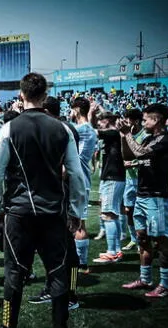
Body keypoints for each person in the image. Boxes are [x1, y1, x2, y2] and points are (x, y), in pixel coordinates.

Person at [0, 73, 85, 328]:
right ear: (45, 93)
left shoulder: (9, 128)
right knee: (58, 272)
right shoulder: (62, 129)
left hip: (19, 212)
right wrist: (76, 211)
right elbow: (76, 174)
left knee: (15, 271)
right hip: (53, 213)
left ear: (21, 94)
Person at [27, 96, 82, 310]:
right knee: (50, 247)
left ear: (46, 111)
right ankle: (54, 289)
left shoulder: (64, 130)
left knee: (67, 248)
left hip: (61, 197)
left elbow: (68, 169)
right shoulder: (57, 128)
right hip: (52, 196)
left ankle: (71, 295)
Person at [119, 103, 168, 298]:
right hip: (141, 194)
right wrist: (123, 139)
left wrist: (128, 135)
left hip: (157, 197)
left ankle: (166, 285)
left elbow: (141, 154)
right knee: (142, 237)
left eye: (145, 120)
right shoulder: (150, 138)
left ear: (156, 120)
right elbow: (132, 156)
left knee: (160, 241)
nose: (143, 123)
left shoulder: (167, 140)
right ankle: (145, 279)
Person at [92, 111, 126, 264]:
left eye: (102, 120)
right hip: (112, 177)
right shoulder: (111, 134)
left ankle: (112, 252)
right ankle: (116, 250)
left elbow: (92, 131)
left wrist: (89, 114)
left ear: (110, 120)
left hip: (113, 177)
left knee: (108, 215)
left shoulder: (113, 132)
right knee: (113, 214)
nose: (99, 122)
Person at [70, 97, 98, 273]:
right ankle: (80, 262)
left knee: (79, 224)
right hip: (83, 178)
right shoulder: (91, 130)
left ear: (77, 110)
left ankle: (82, 264)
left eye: (72, 109)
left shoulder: (80, 129)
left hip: (77, 181)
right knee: (77, 223)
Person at [120, 109, 147, 252]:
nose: (126, 122)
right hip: (129, 178)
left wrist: (134, 163)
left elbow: (145, 156)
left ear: (136, 121)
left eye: (128, 119)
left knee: (142, 211)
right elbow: (124, 155)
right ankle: (133, 239)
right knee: (128, 210)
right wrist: (123, 136)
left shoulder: (145, 135)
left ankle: (145, 239)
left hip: (142, 178)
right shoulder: (126, 134)